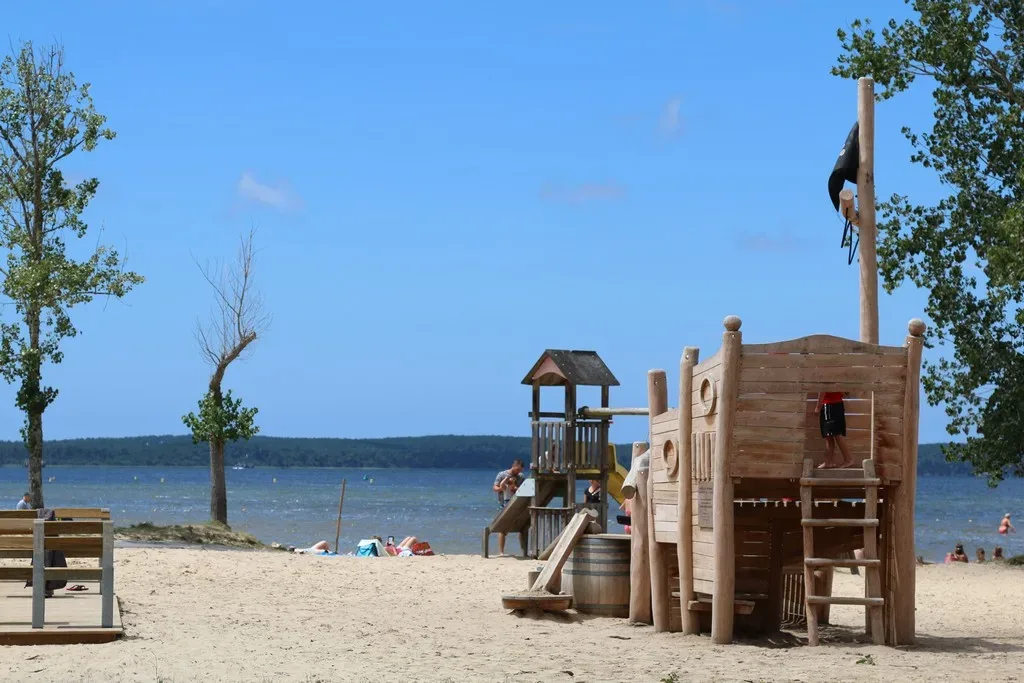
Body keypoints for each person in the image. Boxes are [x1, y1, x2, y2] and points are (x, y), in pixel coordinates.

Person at [492, 459, 525, 557]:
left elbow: (523, 489)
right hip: (504, 503)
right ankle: (501, 551)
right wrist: (502, 488)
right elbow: (495, 488)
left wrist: (515, 488)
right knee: (503, 528)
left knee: (523, 527)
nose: (518, 472)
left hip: (517, 503)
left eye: (520, 470)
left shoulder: (520, 476)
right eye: (517, 469)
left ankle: (524, 551)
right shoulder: (502, 474)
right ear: (514, 466)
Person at [814, 392, 854, 469]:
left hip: (829, 404)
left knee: (836, 434)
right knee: (829, 435)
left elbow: (823, 388)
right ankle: (828, 462)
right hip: (837, 404)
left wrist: (818, 407)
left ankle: (849, 459)